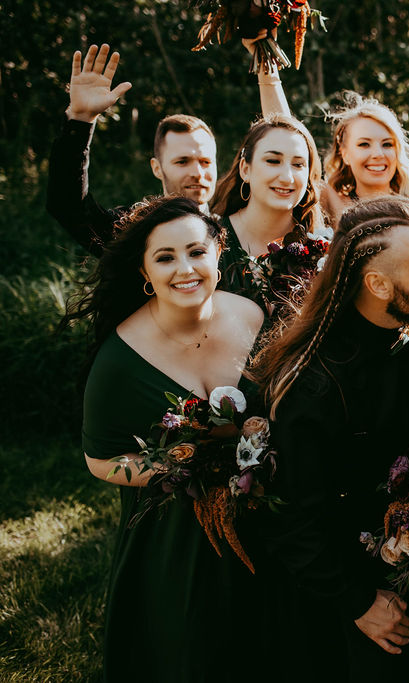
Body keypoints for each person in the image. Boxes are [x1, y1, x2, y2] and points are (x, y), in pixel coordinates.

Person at [249, 196, 409, 681]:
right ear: (378, 285)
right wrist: (358, 601)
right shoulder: (314, 385)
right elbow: (293, 514)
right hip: (351, 601)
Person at [66, 196, 265, 681]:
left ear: (218, 251)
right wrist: (182, 467)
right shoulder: (119, 360)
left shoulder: (253, 316)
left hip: (268, 524)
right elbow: (100, 460)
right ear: (145, 271)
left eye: (196, 252)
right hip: (177, 539)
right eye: (165, 258)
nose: (185, 269)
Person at [46, 41, 288, 257]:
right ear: (157, 168)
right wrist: (80, 119)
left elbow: (288, 160)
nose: (197, 173)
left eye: (205, 162)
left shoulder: (239, 227)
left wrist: (266, 62)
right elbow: (68, 206)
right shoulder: (134, 232)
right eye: (182, 161)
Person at [208, 113, 329, 303]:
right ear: (245, 169)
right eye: (273, 161)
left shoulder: (325, 251)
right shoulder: (209, 244)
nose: (287, 177)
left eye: (298, 164)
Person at [321, 95, 409, 225]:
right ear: (345, 154)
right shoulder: (329, 206)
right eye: (364, 144)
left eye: (387, 144)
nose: (378, 154)